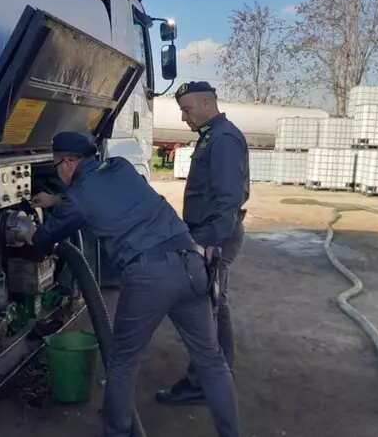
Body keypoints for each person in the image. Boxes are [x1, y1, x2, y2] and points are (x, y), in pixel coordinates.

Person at [27, 131, 240, 437]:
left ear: (69, 163)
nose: (57, 170)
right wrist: (56, 200)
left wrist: (27, 233)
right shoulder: (120, 166)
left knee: (123, 361)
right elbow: (108, 194)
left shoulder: (79, 197)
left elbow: (44, 238)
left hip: (150, 275)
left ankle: (116, 432)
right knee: (211, 361)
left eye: (57, 164)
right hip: (192, 264)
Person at [155, 81, 250, 406]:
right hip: (206, 232)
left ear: (208, 104)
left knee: (208, 309)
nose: (184, 117)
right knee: (213, 306)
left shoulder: (223, 139)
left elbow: (228, 198)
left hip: (214, 236)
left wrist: (211, 241)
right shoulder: (212, 135)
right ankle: (218, 377)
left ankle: (205, 383)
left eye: (187, 110)